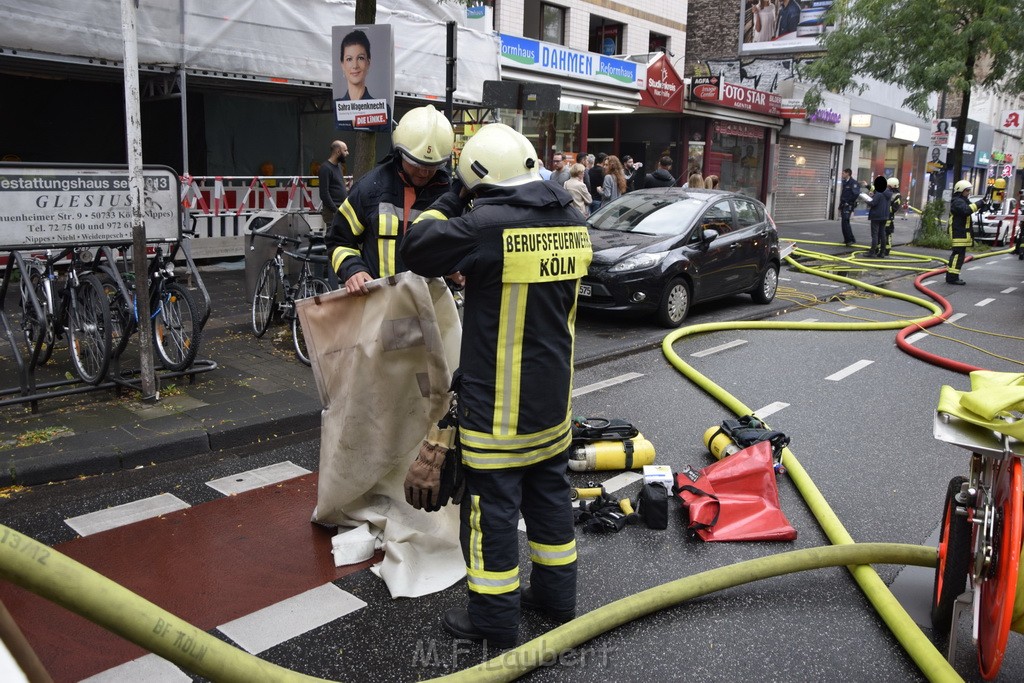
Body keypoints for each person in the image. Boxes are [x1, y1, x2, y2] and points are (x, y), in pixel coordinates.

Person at [401, 123, 590, 648]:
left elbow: (418, 246)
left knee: (490, 516)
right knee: (550, 501)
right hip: (552, 409)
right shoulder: (573, 220)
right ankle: (557, 599)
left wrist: (451, 196)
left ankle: (493, 621)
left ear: (480, 180)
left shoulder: (488, 225)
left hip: (498, 416)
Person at [325, 104, 454, 295]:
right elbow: (338, 240)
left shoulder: (449, 195)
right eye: (416, 162)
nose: (424, 171)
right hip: (382, 306)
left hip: (433, 307)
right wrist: (353, 269)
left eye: (432, 165)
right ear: (399, 151)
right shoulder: (370, 189)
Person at [946, 180, 986, 285]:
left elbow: (972, 207)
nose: (968, 192)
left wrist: (983, 203)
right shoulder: (958, 201)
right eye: (967, 190)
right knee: (957, 255)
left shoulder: (962, 200)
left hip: (961, 233)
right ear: (961, 190)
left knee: (959, 256)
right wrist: (980, 203)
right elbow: (966, 210)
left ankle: (953, 276)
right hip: (958, 233)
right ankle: (952, 277)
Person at [318, 140, 349, 227]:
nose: (347, 153)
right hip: (333, 212)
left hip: (341, 209)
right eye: (345, 150)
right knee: (333, 237)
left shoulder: (339, 166)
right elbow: (324, 194)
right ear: (338, 152)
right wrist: (335, 210)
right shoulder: (325, 168)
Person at [340, 30, 375, 101]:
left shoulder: (382, 108)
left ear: (368, 63)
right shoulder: (335, 106)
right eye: (349, 59)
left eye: (360, 58)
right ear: (343, 65)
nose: (355, 66)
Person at [867, 176, 891, 258]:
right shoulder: (888, 192)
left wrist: (868, 199)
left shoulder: (879, 193)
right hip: (884, 216)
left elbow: (872, 203)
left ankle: (872, 251)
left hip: (876, 216)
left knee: (875, 234)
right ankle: (882, 252)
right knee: (882, 234)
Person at [839, 168, 859, 247]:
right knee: (844, 223)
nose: (842, 175)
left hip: (848, 205)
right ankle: (847, 239)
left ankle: (850, 240)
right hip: (844, 205)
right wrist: (840, 205)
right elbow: (844, 195)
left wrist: (848, 202)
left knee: (846, 222)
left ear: (848, 173)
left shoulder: (853, 183)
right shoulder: (845, 182)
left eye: (843, 173)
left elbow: (855, 194)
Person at [885, 177, 902, 255]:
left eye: (888, 186)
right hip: (884, 216)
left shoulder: (897, 196)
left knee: (887, 233)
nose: (887, 187)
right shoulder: (887, 192)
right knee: (880, 233)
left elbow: (895, 208)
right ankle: (879, 248)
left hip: (889, 217)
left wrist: (884, 208)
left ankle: (887, 249)